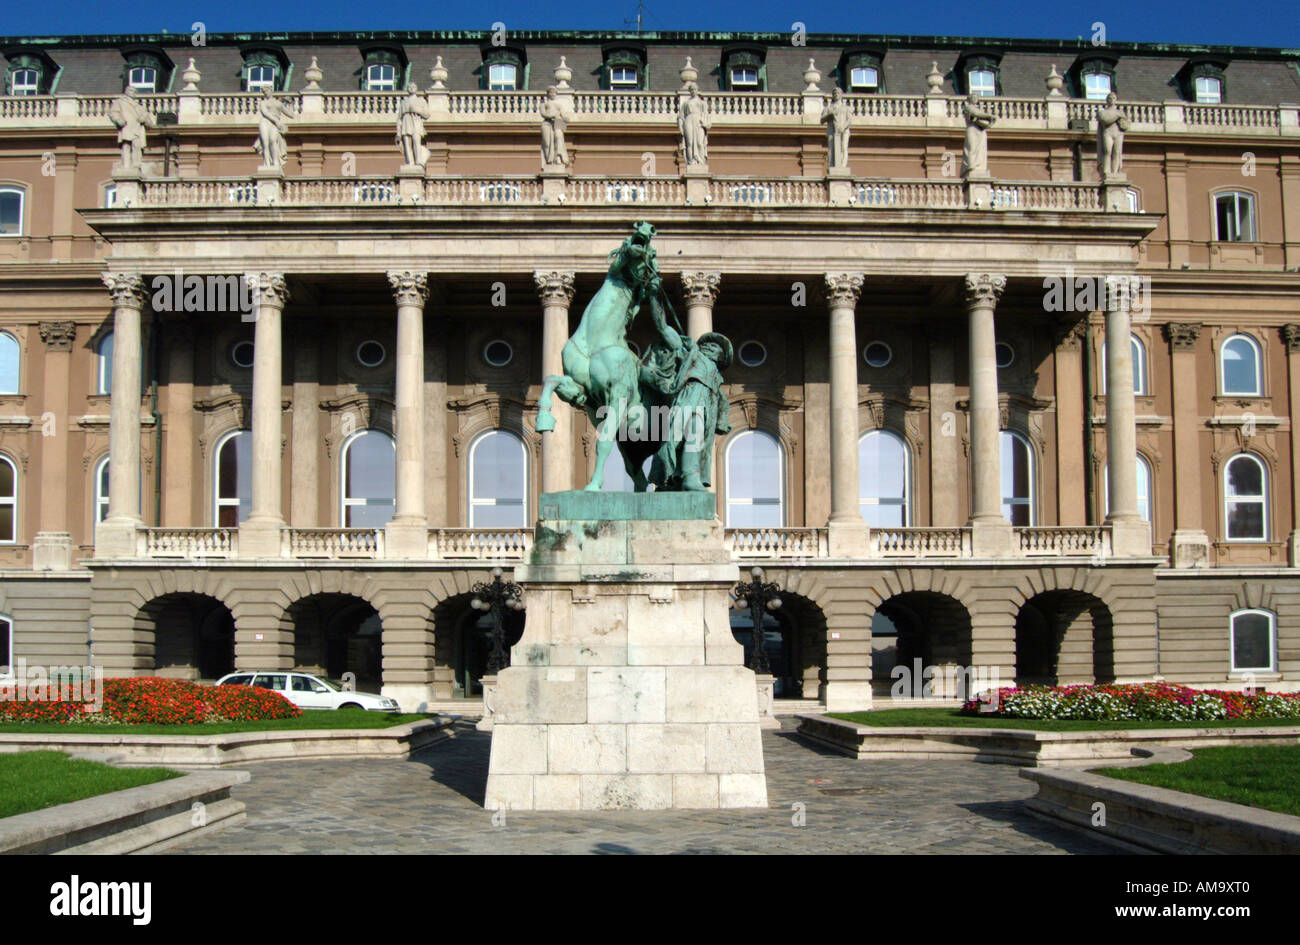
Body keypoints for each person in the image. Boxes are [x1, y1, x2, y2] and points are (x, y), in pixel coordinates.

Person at [643, 285, 732, 492]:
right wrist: (655, 297)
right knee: (682, 436)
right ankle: (681, 476)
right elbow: (663, 328)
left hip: (705, 408)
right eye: (709, 345)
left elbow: (722, 401)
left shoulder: (716, 377)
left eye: (717, 349)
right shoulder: (690, 355)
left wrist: (722, 420)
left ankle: (689, 476)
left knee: (697, 439)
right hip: (688, 400)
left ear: (720, 357)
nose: (712, 349)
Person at [108, 87, 153, 171]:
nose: (132, 92)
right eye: (130, 91)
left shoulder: (139, 107)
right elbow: (113, 112)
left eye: (134, 91)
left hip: (137, 130)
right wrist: (119, 120)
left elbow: (150, 123)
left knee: (137, 146)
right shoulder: (120, 102)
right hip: (127, 127)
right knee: (126, 146)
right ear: (126, 92)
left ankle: (136, 166)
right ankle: (126, 166)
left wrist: (144, 120)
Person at [255, 86, 298, 170]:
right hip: (265, 122)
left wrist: (290, 103)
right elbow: (265, 113)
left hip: (275, 124)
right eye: (264, 92)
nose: (265, 93)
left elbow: (291, 115)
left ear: (271, 90)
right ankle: (267, 164)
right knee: (265, 143)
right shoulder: (263, 102)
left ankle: (275, 162)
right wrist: (276, 121)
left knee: (272, 140)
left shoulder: (278, 103)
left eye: (266, 91)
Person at [396, 83, 431, 167]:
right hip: (406, 123)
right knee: (407, 143)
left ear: (416, 88)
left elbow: (427, 114)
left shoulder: (421, 100)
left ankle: (418, 161)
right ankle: (409, 162)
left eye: (413, 87)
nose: (411, 88)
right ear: (407, 89)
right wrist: (398, 133)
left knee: (416, 141)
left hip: (416, 123)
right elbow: (399, 119)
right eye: (409, 87)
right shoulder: (404, 102)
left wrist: (418, 110)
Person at [961, 91, 996, 176]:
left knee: (980, 150)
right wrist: (989, 116)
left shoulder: (977, 109)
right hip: (972, 130)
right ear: (969, 99)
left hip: (980, 131)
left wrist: (988, 121)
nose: (975, 99)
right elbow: (976, 114)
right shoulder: (968, 107)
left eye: (976, 98)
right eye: (973, 97)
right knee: (972, 148)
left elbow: (979, 115)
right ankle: (971, 166)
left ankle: (978, 167)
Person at [677, 83, 711, 167]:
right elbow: (681, 117)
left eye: (695, 89)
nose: (693, 91)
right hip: (688, 121)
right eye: (691, 89)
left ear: (697, 90)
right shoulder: (685, 103)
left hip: (699, 122)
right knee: (690, 143)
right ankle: (691, 161)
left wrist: (706, 124)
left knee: (700, 143)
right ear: (690, 91)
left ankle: (701, 161)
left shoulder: (702, 103)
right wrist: (681, 127)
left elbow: (706, 115)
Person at [1096, 92, 1129, 178]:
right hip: (1108, 133)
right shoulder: (1102, 112)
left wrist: (1124, 121)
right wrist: (1117, 116)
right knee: (1107, 151)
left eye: (1113, 98)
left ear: (1116, 100)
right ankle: (1106, 171)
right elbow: (1106, 121)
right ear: (1107, 100)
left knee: (1117, 152)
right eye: (1110, 98)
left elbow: (1125, 126)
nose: (1112, 100)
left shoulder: (1120, 112)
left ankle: (1115, 172)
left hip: (1118, 133)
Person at [821, 88, 853, 169]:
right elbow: (822, 120)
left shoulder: (846, 108)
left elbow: (849, 120)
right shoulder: (828, 108)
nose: (836, 94)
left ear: (841, 95)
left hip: (844, 130)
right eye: (834, 93)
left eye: (838, 93)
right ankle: (831, 166)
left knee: (844, 147)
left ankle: (843, 166)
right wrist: (830, 115)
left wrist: (843, 127)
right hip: (832, 130)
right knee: (831, 148)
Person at [539, 86, 570, 167]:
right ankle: (548, 162)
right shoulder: (543, 104)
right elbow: (543, 114)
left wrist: (565, 118)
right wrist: (553, 115)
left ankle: (558, 158)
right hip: (546, 123)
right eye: (551, 92)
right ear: (548, 94)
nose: (552, 94)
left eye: (554, 92)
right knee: (546, 143)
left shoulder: (559, 105)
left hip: (558, 122)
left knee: (559, 138)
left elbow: (565, 117)